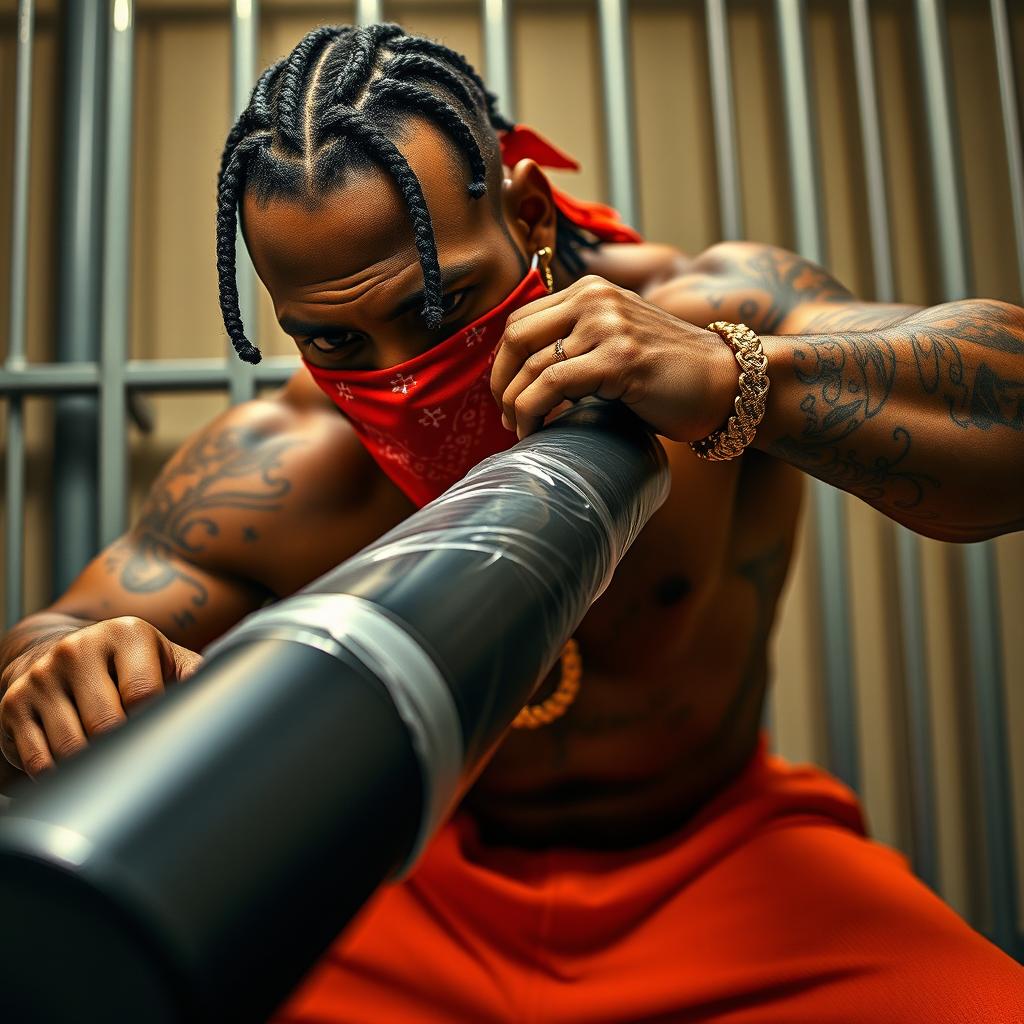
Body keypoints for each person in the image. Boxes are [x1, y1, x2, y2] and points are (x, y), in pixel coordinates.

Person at [1, 21, 1022, 1021]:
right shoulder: (282, 469)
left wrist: (733, 377)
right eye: (334, 340)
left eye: (439, 307)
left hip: (721, 860)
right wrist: (57, 674)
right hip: (406, 886)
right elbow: (54, 642)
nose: (402, 375)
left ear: (529, 213)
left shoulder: (716, 312)